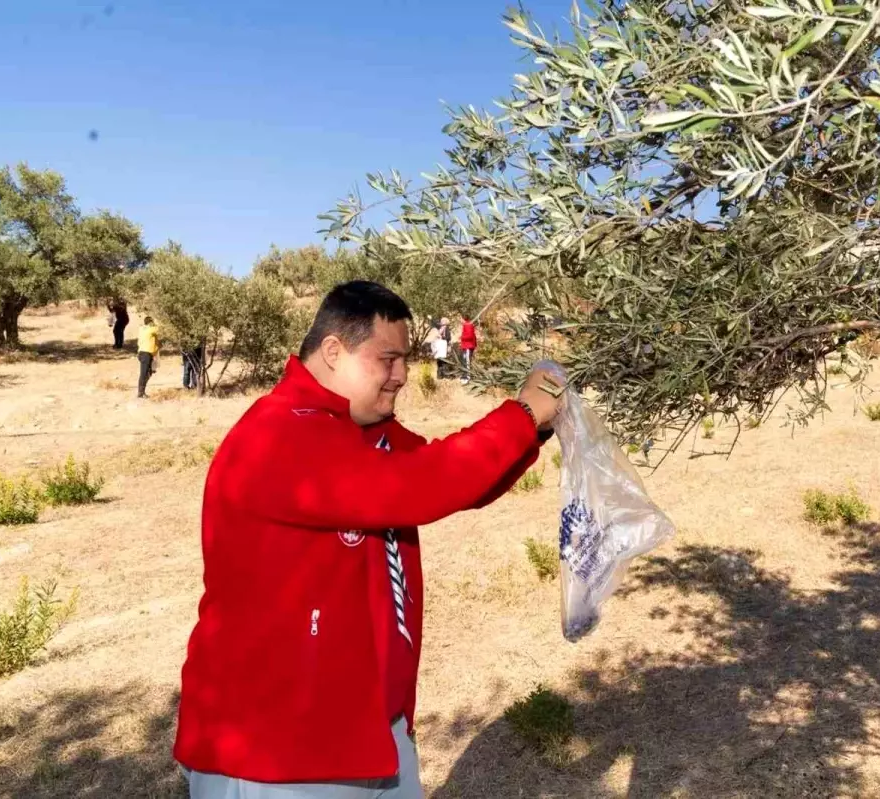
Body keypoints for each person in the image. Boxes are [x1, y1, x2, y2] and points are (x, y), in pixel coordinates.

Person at [174, 280, 563, 799]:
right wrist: (521, 415)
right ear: (334, 351)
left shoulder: (363, 432)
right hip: (279, 755)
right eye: (389, 359)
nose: (402, 376)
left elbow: (452, 481)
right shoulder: (278, 435)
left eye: (406, 360)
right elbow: (416, 487)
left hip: (372, 734)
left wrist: (533, 432)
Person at [136, 316, 159, 399]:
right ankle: (140, 393)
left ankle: (142, 391)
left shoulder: (142, 329)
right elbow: (159, 329)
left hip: (143, 352)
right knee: (144, 373)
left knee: (148, 372)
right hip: (146, 353)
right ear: (150, 323)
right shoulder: (151, 329)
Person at [458, 314, 477, 384]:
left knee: (467, 361)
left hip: (468, 346)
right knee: (464, 361)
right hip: (466, 346)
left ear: (463, 319)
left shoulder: (468, 325)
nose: (460, 320)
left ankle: (467, 377)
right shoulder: (466, 325)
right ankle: (464, 376)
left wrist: (461, 337)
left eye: (460, 319)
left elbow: (470, 336)